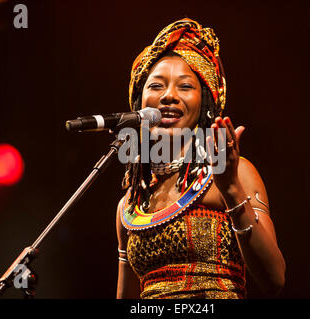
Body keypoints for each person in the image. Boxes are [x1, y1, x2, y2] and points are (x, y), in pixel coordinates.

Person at [116, 18, 285, 299]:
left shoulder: (236, 173)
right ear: (139, 103)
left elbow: (274, 279)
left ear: (204, 102)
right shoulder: (131, 202)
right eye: (156, 86)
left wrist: (231, 190)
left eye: (185, 87)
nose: (169, 95)